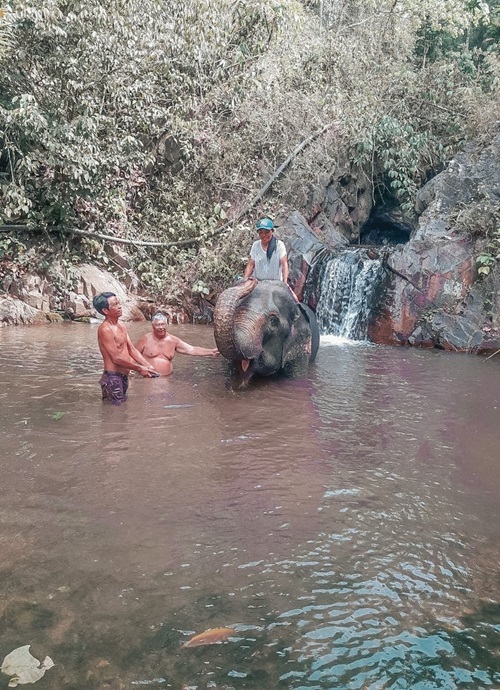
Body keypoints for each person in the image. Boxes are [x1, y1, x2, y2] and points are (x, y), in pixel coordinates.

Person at [93, 292, 159, 404]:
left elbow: (131, 349)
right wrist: (139, 368)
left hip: (123, 376)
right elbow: (116, 358)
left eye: (118, 303)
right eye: (115, 304)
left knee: (121, 410)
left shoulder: (121, 325)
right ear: (105, 311)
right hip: (112, 378)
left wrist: (147, 365)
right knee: (114, 413)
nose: (119, 306)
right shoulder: (105, 329)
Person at [135, 312, 220, 376]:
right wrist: (130, 369)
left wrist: (211, 352)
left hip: (167, 379)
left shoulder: (173, 340)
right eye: (158, 325)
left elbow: (191, 349)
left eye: (163, 324)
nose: (161, 327)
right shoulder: (145, 339)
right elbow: (133, 353)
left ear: (167, 325)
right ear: (153, 326)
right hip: (148, 379)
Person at [243, 217, 289, 283]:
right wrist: (245, 280)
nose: (263, 235)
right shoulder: (255, 245)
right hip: (258, 283)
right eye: (260, 232)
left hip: (274, 284)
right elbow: (251, 264)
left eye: (267, 232)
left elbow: (284, 264)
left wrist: (285, 282)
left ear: (272, 231)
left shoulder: (279, 245)